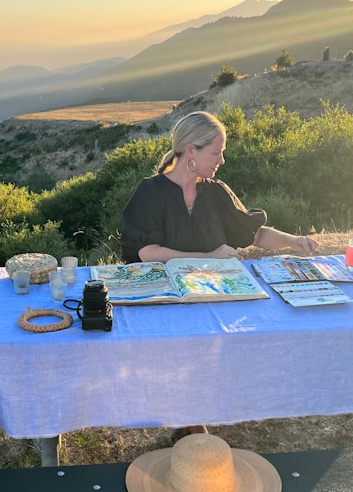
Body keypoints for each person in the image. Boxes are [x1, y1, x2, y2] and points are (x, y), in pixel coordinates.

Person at [120, 110, 318, 442]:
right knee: (188, 345)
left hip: (213, 293)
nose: (222, 160)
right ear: (190, 151)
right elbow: (147, 252)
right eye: (216, 152)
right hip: (168, 300)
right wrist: (207, 257)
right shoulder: (149, 193)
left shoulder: (215, 191)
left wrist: (292, 241)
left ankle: (205, 410)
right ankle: (188, 420)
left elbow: (251, 233)